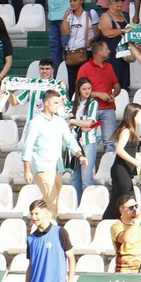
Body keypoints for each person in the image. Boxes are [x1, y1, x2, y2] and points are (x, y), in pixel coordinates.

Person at [21, 87, 84, 216]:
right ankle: (52, 231)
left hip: (57, 167)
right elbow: (28, 147)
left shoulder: (60, 121)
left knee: (49, 201)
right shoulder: (35, 123)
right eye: (55, 103)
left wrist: (80, 155)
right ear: (46, 103)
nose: (58, 105)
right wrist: (27, 170)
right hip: (42, 167)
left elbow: (70, 140)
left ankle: (36, 226)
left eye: (59, 103)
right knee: (52, 201)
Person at [22, 199, 77, 282]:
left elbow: (71, 258)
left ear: (46, 213)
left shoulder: (60, 232)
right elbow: (31, 265)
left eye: (37, 213)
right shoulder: (31, 239)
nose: (34, 217)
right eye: (32, 214)